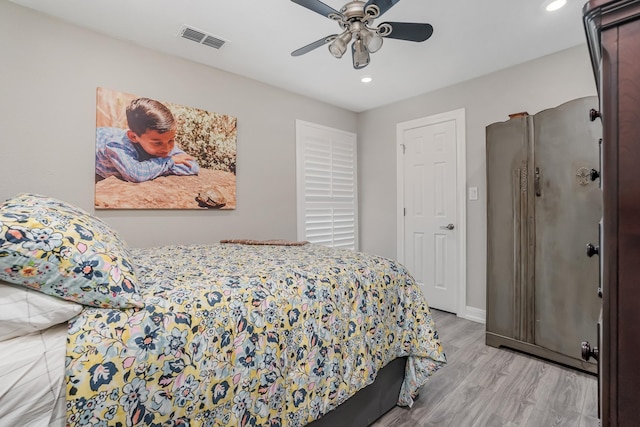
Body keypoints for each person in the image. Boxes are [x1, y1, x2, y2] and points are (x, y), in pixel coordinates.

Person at [95, 98, 200, 183]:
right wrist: (169, 161)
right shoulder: (116, 146)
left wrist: (154, 167)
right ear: (133, 137)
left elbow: (192, 166)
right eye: (157, 143)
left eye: (171, 141)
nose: (167, 148)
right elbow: (136, 174)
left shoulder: (162, 141)